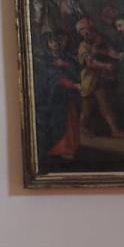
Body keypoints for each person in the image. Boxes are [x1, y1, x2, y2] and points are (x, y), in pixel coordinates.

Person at [76, 18, 124, 138]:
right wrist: (105, 65)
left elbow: (112, 53)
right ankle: (81, 127)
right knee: (87, 108)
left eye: (90, 29)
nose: (88, 32)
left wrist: (105, 48)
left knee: (105, 105)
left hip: (99, 80)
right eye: (84, 30)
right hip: (88, 81)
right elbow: (90, 63)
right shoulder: (83, 46)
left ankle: (115, 130)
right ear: (80, 32)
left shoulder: (100, 42)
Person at [36, 32, 81, 160]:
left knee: (70, 120)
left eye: (57, 41)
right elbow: (50, 77)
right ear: (48, 44)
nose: (55, 44)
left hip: (68, 95)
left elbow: (77, 73)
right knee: (59, 122)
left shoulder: (68, 58)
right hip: (54, 96)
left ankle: (71, 146)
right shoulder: (45, 60)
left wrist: (66, 66)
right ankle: (62, 148)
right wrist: (69, 83)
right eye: (52, 42)